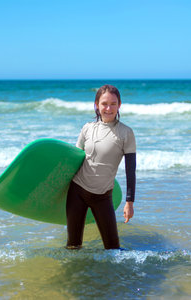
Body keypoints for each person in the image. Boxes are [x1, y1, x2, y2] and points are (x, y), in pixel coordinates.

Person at [66, 84, 136, 250]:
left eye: (113, 104)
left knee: (113, 248)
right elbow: (74, 160)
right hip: (77, 192)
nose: (108, 108)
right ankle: (76, 274)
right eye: (104, 103)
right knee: (73, 246)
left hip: (103, 196)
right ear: (96, 105)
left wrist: (129, 202)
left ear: (119, 105)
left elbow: (130, 170)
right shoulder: (87, 128)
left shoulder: (126, 133)